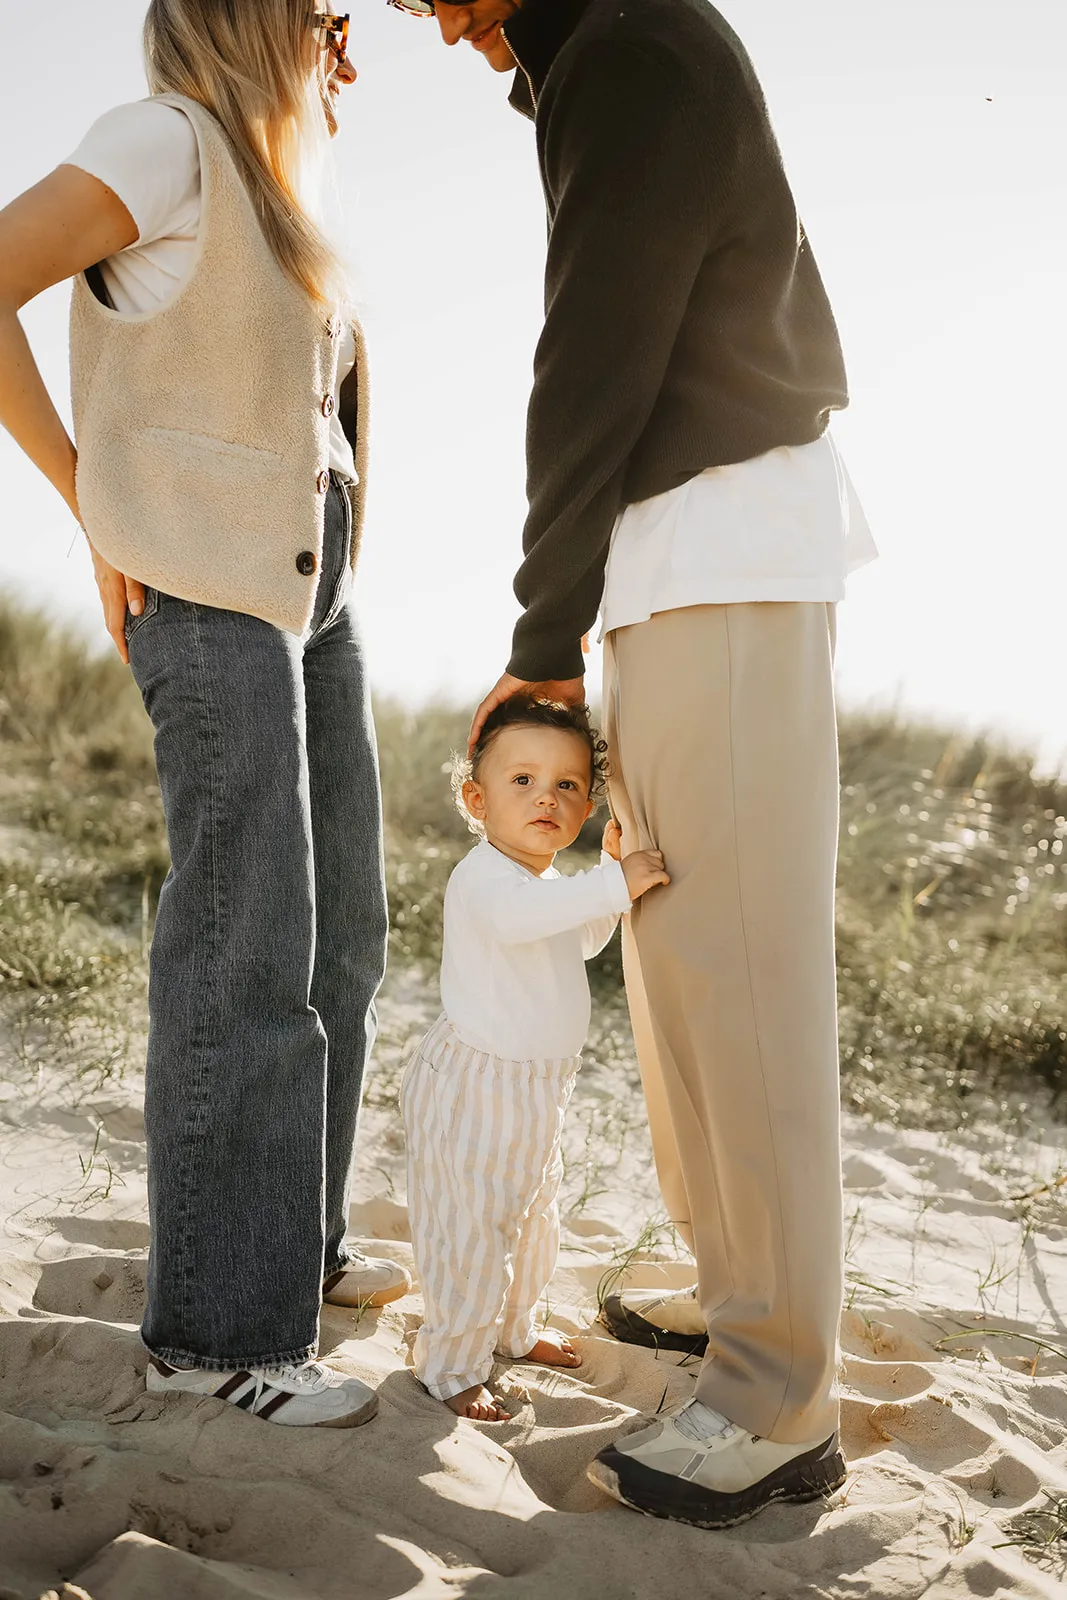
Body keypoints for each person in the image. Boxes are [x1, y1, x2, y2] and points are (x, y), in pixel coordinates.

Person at [395, 0, 878, 1526]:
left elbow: (591, 358)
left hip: (720, 545)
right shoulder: (594, 52)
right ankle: (741, 1294)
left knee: (738, 978)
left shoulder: (627, 48)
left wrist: (537, 629)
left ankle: (776, 1388)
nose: (451, 33)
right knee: (680, 968)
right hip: (678, 564)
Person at [0, 0, 408, 1427]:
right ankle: (219, 1335)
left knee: (340, 931)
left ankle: (291, 1249)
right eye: (319, 11)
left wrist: (308, 121)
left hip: (312, 594)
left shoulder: (268, 168)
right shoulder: (160, 142)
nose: (339, 29)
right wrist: (86, 503)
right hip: (204, 586)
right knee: (246, 947)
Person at [401, 697, 668, 1420]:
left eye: (568, 785)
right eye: (521, 780)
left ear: (585, 807)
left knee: (532, 1217)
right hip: (478, 1083)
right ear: (475, 799)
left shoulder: (549, 885)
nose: (546, 796)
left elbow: (577, 940)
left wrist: (608, 893)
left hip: (538, 1089)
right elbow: (522, 922)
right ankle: (452, 1363)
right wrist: (610, 882)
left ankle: (513, 1331)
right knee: (473, 1227)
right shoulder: (484, 877)